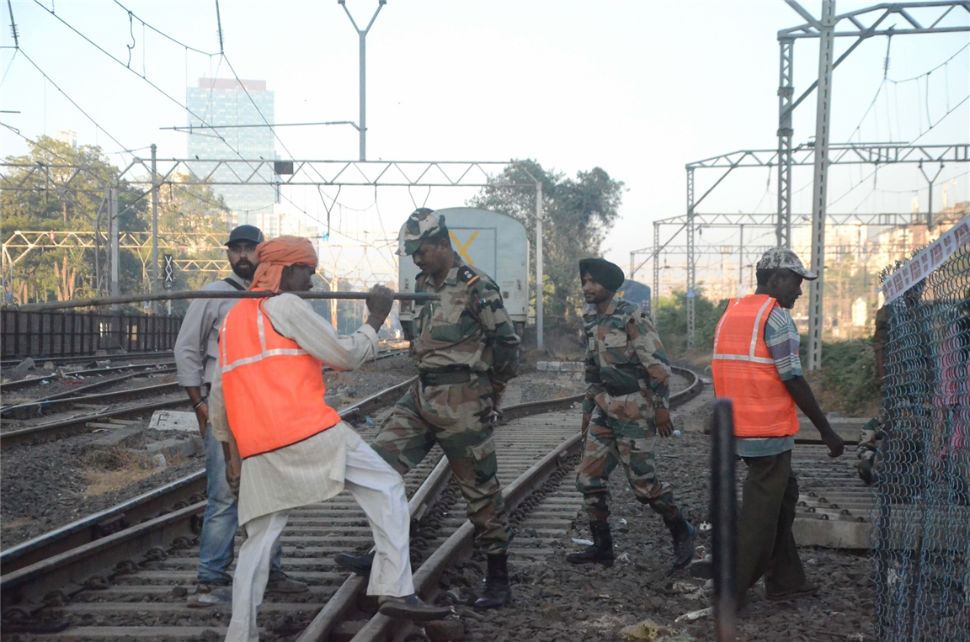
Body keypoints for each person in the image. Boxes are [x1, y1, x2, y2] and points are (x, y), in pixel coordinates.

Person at [208, 235, 450, 641]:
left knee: (258, 541)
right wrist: (376, 318)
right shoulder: (285, 305)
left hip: (261, 447)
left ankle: (240, 635)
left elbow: (220, 398)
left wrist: (233, 457)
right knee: (385, 485)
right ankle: (394, 588)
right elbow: (345, 355)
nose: (312, 280)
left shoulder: (234, 320)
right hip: (308, 430)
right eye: (307, 271)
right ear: (286, 271)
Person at [336, 208, 520, 609]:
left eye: (421, 252)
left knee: (480, 492)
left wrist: (494, 391)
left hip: (463, 399)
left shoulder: (476, 286)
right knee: (377, 466)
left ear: (442, 245)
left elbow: (507, 344)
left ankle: (498, 578)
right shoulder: (421, 284)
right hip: (421, 395)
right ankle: (384, 555)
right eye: (412, 253)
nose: (416, 260)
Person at [174, 224, 307, 606]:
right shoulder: (215, 294)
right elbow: (187, 349)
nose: (244, 256)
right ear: (229, 255)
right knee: (223, 495)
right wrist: (199, 404)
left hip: (268, 406)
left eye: (251, 249)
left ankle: (271, 571)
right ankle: (211, 580)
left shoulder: (275, 296)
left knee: (271, 491)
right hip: (226, 405)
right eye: (237, 250)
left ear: (263, 254)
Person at [710, 247, 844, 605]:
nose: (799, 292)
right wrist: (826, 430)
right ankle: (732, 589)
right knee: (760, 518)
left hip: (737, 428)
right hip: (767, 432)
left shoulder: (733, 311)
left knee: (783, 500)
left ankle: (786, 579)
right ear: (775, 279)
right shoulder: (777, 317)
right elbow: (793, 379)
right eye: (796, 283)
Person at [565, 258, 696, 572]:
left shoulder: (630, 317)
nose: (587, 288)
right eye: (584, 282)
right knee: (588, 479)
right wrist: (587, 412)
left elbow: (659, 369)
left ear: (609, 287)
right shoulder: (588, 318)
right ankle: (602, 548)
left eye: (593, 282)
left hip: (636, 409)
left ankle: (682, 530)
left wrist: (662, 409)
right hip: (605, 407)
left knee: (643, 485)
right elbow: (591, 369)